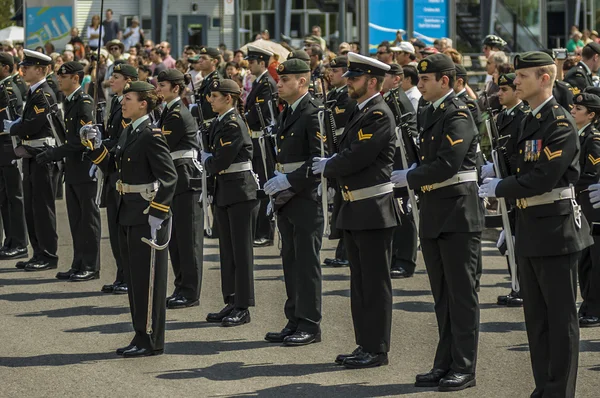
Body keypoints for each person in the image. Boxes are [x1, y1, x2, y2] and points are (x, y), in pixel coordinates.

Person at [479, 51, 593, 397]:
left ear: (545, 78)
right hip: (530, 225)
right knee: (537, 320)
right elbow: (518, 164)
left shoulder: (559, 124)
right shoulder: (530, 120)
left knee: (560, 320)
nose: (515, 82)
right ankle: (543, 386)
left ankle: (559, 390)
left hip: (555, 230)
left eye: (523, 76)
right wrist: (496, 173)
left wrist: (502, 186)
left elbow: (543, 177)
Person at [397, 54, 484, 391]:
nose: (420, 84)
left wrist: (409, 176)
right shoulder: (430, 112)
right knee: (443, 296)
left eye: (426, 79)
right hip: (436, 211)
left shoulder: (458, 113)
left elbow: (448, 163)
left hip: (458, 213)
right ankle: (444, 361)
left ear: (444, 81)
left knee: (462, 296)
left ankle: (464, 366)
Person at [313, 52, 400, 369]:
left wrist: (329, 166)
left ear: (372, 82)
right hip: (355, 207)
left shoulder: (378, 114)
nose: (348, 82)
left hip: (373, 208)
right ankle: (364, 343)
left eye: (354, 78)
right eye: (348, 77)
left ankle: (377, 348)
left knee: (374, 285)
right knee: (360, 284)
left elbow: (355, 157)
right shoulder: (360, 111)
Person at [84, 81, 177, 357]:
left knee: (148, 280)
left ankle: (151, 338)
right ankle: (140, 334)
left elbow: (170, 178)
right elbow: (113, 165)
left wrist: (158, 213)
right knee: (136, 279)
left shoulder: (151, 134)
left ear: (143, 104)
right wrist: (94, 146)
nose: (122, 103)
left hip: (147, 213)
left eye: (128, 98)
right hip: (128, 210)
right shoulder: (130, 131)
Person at [263, 59, 324, 346]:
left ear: (302, 82)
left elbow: (318, 160)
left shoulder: (313, 113)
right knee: (290, 259)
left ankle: (310, 324)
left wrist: (290, 181)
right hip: (287, 196)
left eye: (285, 80)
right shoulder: (288, 112)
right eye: (279, 79)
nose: (279, 83)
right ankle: (294, 318)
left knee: (306, 262)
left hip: (305, 196)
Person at [35, 61, 101, 281]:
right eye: (58, 76)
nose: (58, 80)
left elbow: (81, 141)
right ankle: (78, 263)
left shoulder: (83, 102)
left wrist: (54, 153)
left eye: (63, 77)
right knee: (76, 219)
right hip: (73, 169)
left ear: (76, 79)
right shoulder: (70, 101)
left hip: (84, 168)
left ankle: (91, 266)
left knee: (88, 220)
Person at [201, 78, 259, 326]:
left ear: (228, 98)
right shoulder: (219, 122)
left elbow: (221, 161)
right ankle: (231, 299)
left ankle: (243, 306)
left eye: (215, 96)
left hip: (240, 191)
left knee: (241, 251)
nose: (210, 100)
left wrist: (205, 161)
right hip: (226, 190)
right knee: (227, 250)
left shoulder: (233, 123)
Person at [4, 50, 59, 272]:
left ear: (41, 70)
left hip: (41, 156)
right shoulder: (33, 92)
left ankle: (48, 254)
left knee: (42, 209)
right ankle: (38, 253)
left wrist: (14, 127)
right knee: (32, 208)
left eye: (29, 66)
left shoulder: (44, 94)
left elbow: (32, 126)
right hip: (31, 155)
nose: (23, 69)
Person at [155, 69, 204, 309]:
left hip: (185, 177)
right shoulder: (167, 111)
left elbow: (161, 144)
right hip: (175, 176)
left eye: (162, 85)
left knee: (188, 239)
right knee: (176, 239)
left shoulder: (176, 113)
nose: (158, 89)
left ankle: (190, 292)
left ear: (175, 88)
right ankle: (181, 286)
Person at [481, 72, 529, 307]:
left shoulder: (524, 117)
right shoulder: (500, 118)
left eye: (504, 90)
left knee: (517, 236)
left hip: (515, 184)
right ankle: (515, 284)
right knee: (508, 234)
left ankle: (522, 286)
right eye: (498, 90)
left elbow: (517, 155)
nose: (499, 94)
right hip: (505, 186)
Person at [100, 63, 138, 295]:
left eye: (116, 77)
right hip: (111, 170)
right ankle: (121, 273)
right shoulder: (116, 102)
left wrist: (104, 146)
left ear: (128, 81)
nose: (111, 81)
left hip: (122, 171)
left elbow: (124, 139)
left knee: (122, 229)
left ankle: (127, 275)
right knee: (114, 228)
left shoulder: (129, 105)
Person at [380, 63, 418, 279]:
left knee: (405, 213)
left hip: (402, 161)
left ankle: (405, 261)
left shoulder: (398, 99)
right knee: (396, 212)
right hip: (394, 161)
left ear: (396, 78)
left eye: (386, 75)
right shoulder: (390, 97)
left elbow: (409, 133)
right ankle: (396, 257)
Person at [321, 55, 355, 268]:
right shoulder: (334, 94)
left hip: (344, 151)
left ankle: (346, 253)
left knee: (346, 204)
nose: (331, 74)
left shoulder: (346, 97)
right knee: (342, 205)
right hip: (335, 150)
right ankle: (343, 252)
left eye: (335, 71)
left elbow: (339, 122)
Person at [570, 93, 600, 328]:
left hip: (593, 205)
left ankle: (594, 308)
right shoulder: (578, 135)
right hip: (581, 203)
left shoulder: (594, 138)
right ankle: (587, 305)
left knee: (594, 259)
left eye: (578, 108)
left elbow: (593, 174)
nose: (573, 111)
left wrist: (569, 180)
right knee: (585, 259)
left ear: (591, 115)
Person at [243, 45, 277, 248]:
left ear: (262, 63)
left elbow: (261, 114)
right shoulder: (259, 82)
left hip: (262, 140)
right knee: (260, 185)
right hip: (255, 139)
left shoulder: (266, 84)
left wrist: (243, 118)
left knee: (265, 186)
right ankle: (259, 229)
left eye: (252, 61)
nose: (249, 65)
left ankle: (266, 232)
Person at [0, 53, 27, 260]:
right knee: (5, 198)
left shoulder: (8, 90)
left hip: (9, 147)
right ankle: (10, 240)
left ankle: (19, 242)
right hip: (3, 148)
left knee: (14, 197)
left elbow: (9, 123)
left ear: (6, 68)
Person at [194, 47, 222, 121]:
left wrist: (192, 109)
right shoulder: (207, 79)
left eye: (204, 58)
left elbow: (209, 110)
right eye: (199, 58)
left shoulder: (215, 81)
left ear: (214, 61)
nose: (199, 60)